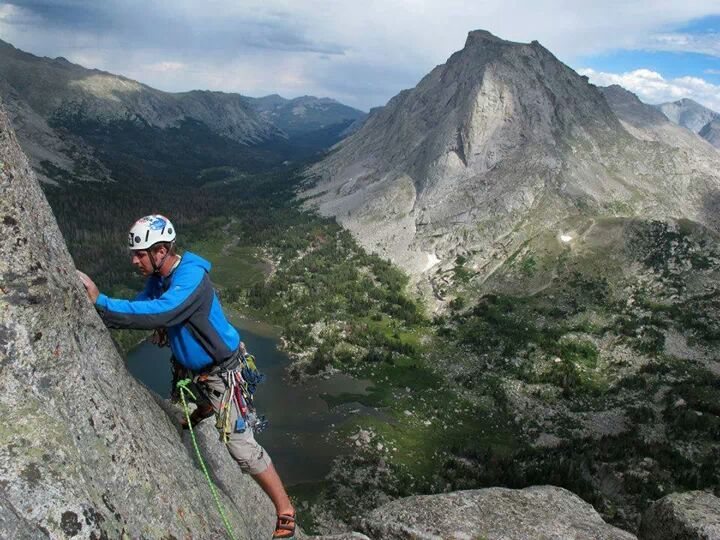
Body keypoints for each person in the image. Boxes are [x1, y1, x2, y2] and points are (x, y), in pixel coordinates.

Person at [77, 214, 296, 539]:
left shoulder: (191, 278)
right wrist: (160, 326)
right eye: (134, 254)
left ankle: (285, 509)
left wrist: (102, 302)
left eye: (140, 254)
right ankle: (204, 407)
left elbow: (163, 310)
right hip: (194, 370)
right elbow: (147, 303)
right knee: (185, 389)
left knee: (242, 448)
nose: (134, 260)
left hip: (224, 372)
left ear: (162, 251)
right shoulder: (160, 277)